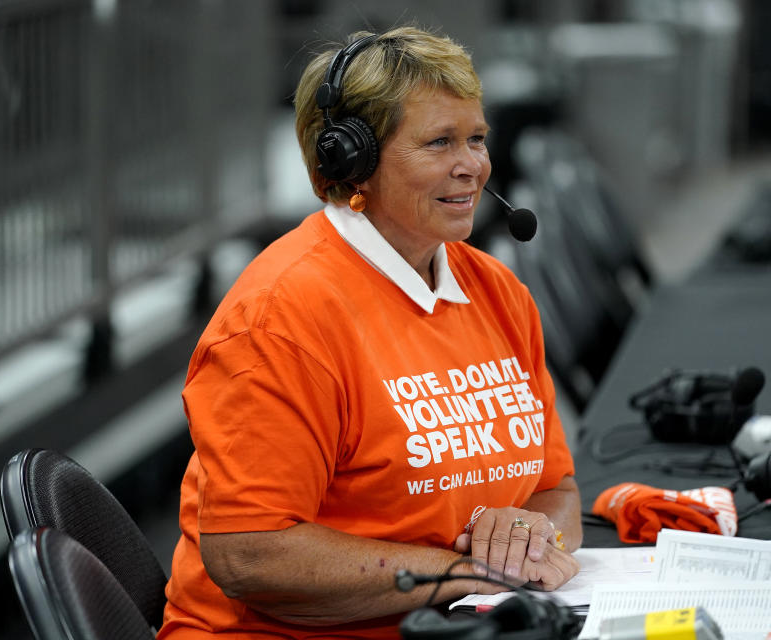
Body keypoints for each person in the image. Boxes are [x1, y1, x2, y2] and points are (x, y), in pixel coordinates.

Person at [159, 26, 581, 639]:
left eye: (477, 139)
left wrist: (530, 534)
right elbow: (250, 554)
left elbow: (556, 487)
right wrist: (461, 572)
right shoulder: (280, 320)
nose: (473, 166)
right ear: (352, 162)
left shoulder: (495, 290)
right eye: (439, 143)